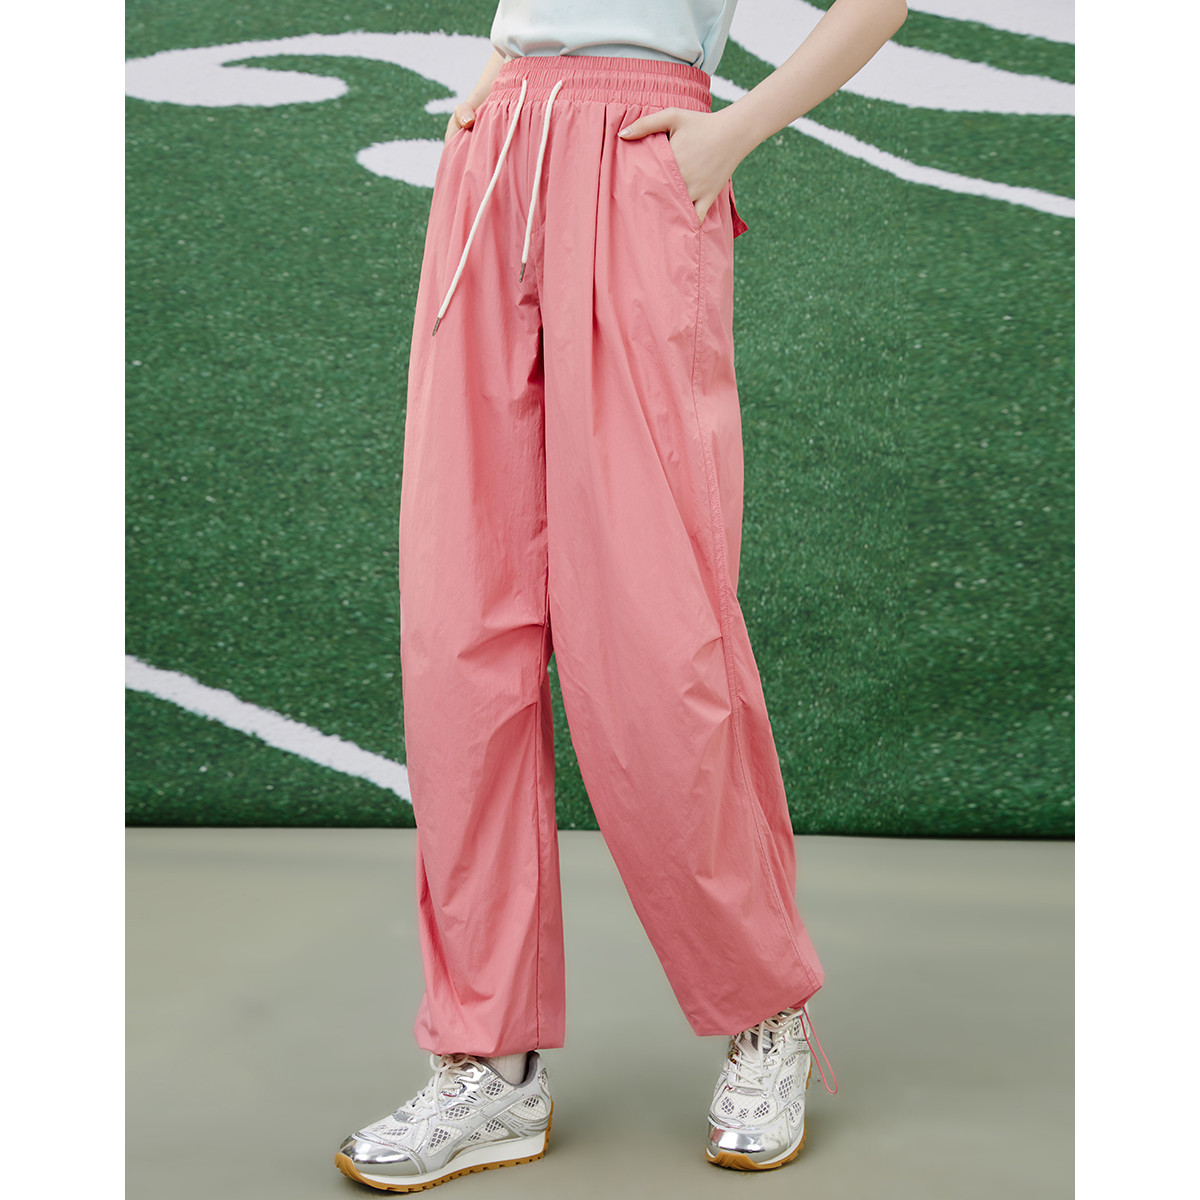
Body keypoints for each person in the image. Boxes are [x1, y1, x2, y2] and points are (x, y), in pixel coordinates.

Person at [336, 0, 907, 1190]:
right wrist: (494, 77)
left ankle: (764, 1012)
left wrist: (733, 132)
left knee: (656, 635)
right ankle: (488, 1060)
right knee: (461, 627)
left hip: (642, 150)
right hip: (498, 155)